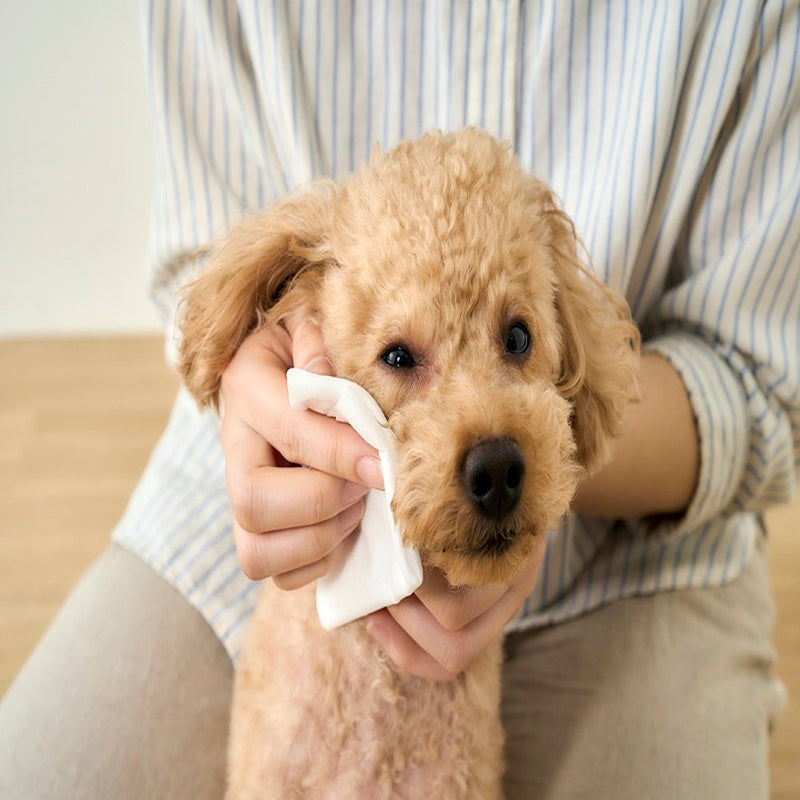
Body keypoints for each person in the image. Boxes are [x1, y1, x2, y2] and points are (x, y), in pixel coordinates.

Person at [1, 1, 797, 797]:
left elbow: (763, 388)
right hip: (271, 508)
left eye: (516, 339)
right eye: (401, 356)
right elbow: (197, 293)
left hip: (634, 550)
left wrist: (562, 470)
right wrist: (257, 379)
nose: (483, 424)